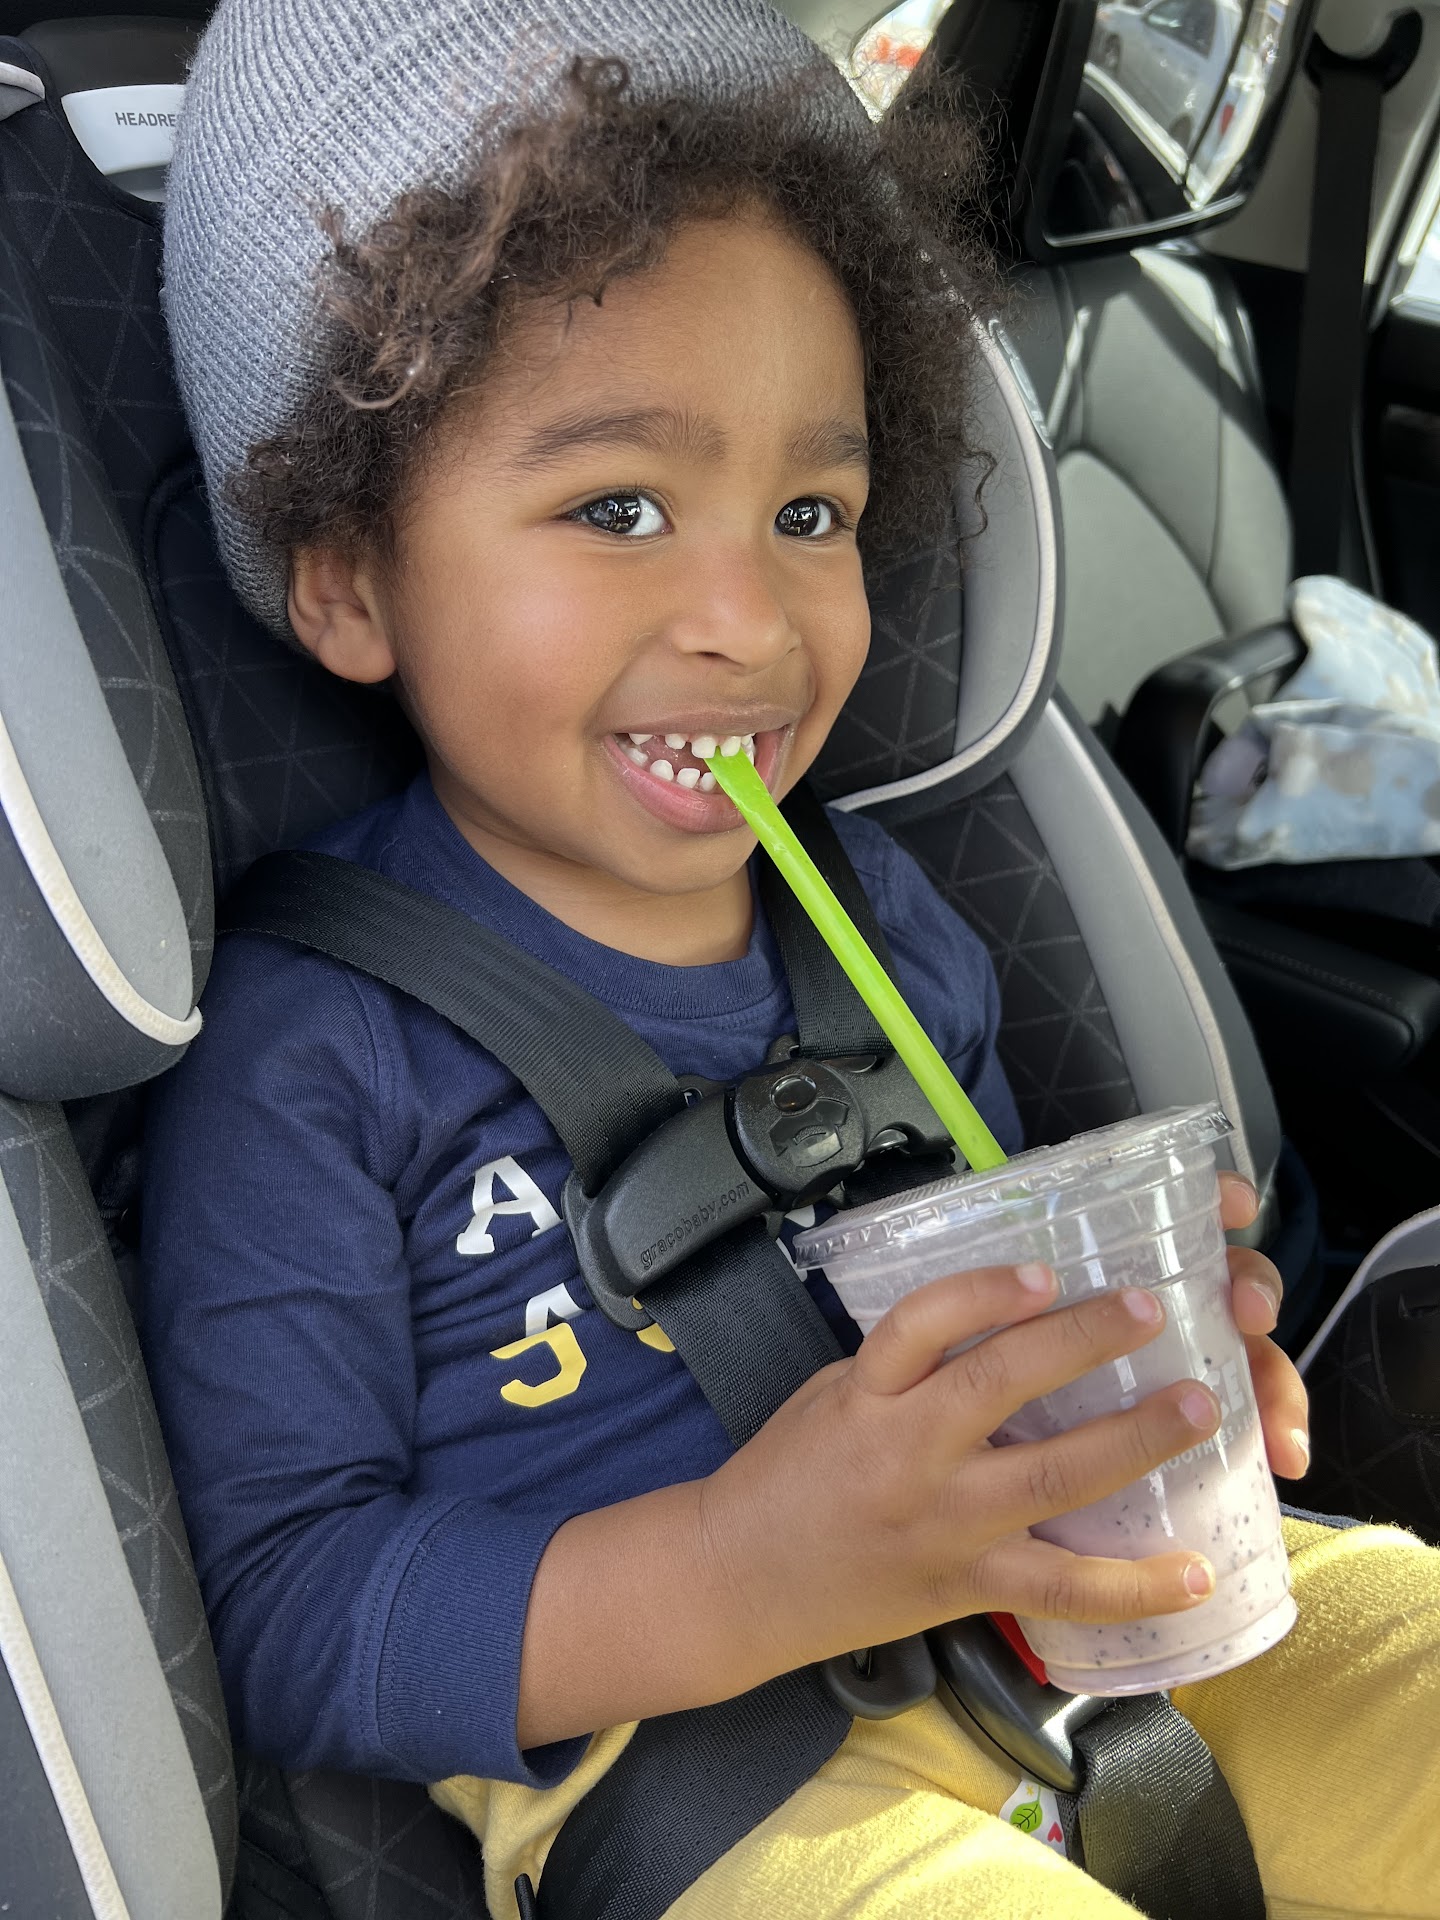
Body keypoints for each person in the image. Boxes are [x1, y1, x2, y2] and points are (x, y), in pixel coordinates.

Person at [143, 1, 1440, 1915]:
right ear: (348, 577)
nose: (750, 620)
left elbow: (994, 1288)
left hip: (1077, 1602)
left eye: (810, 513)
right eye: (620, 509)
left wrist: (1122, 1373)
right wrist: (747, 1568)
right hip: (707, 1779)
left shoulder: (886, 923)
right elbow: (280, 1606)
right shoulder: (310, 1049)